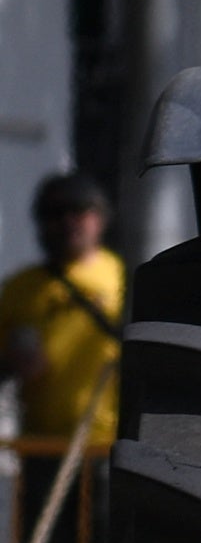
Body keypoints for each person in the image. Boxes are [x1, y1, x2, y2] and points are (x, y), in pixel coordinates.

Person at [0, 175, 118, 452]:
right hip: (41, 447)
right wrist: (11, 363)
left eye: (78, 210)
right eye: (55, 213)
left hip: (105, 447)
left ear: (99, 218)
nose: (68, 222)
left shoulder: (123, 277)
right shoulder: (21, 289)